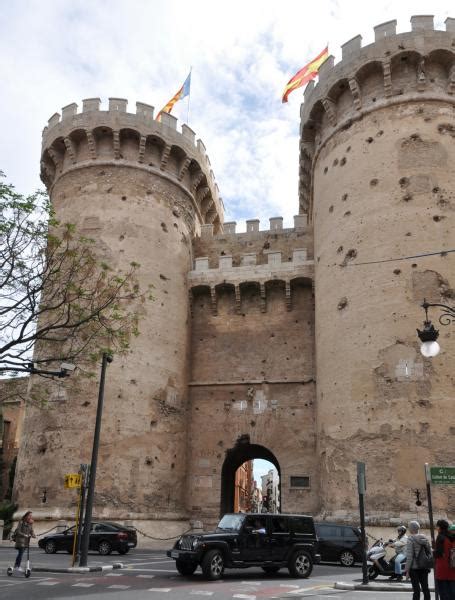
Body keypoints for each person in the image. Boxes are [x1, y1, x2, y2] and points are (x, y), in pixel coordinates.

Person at [405, 520, 431, 600]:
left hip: (414, 568)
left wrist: (407, 570)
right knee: (425, 588)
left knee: (416, 590)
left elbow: (410, 556)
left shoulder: (410, 539)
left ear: (411, 529)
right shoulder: (425, 538)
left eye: (409, 527)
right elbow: (429, 552)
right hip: (424, 566)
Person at [433, 519, 455, 600]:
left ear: (440, 527)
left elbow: (438, 554)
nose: (436, 528)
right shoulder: (452, 537)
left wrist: (433, 552)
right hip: (452, 570)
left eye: (437, 526)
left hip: (442, 570)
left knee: (443, 594)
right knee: (452, 594)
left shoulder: (440, 537)